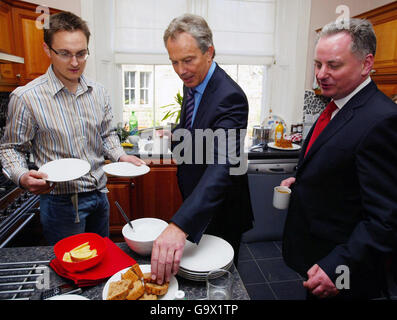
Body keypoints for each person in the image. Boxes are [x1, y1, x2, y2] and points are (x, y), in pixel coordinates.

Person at [0, 12, 144, 245]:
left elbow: (107, 135)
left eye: (81, 53)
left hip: (99, 195)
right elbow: (9, 149)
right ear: (48, 50)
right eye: (65, 53)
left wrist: (121, 155)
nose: (75, 62)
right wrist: (23, 176)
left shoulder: (99, 92)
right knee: (71, 271)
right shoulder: (26, 97)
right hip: (60, 203)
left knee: (100, 261)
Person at [281, 18, 397, 299]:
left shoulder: (382, 120)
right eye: (318, 65)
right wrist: (303, 181)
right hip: (315, 254)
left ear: (366, 64)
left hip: (343, 271)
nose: (321, 74)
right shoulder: (336, 106)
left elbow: (385, 217)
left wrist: (338, 265)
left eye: (333, 65)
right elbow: (343, 173)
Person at [150, 13, 253, 285]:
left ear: (209, 52)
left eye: (188, 60)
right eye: (174, 61)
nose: (181, 69)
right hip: (197, 202)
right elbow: (198, 130)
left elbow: (222, 166)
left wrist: (180, 224)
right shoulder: (194, 83)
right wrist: (175, 134)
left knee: (219, 284)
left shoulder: (229, 96)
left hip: (222, 210)